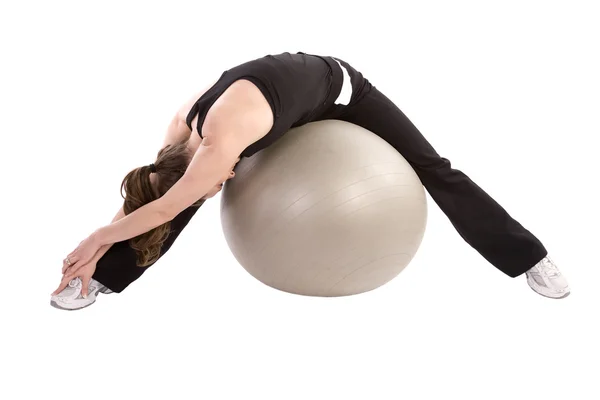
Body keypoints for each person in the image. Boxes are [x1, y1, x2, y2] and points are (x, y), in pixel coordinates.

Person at [50, 52, 570, 311]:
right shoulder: (178, 136)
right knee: (180, 199)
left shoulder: (216, 142)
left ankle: (530, 259)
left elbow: (166, 206)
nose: (224, 188)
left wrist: (95, 238)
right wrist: (100, 244)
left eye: (214, 181)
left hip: (338, 89)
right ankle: (102, 279)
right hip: (273, 104)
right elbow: (152, 197)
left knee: (435, 169)